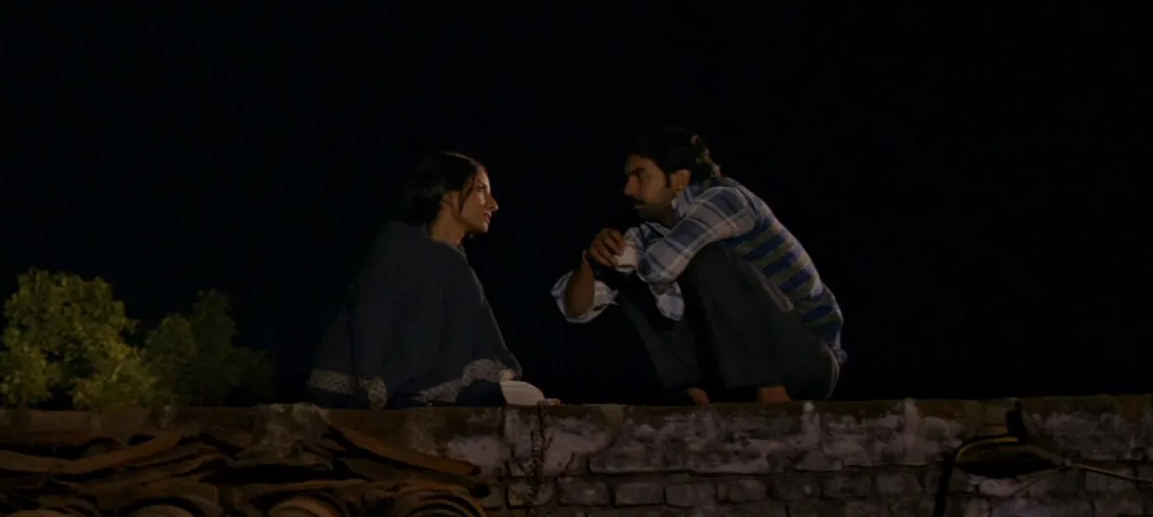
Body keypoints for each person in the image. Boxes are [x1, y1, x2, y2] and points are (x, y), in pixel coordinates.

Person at [551, 126, 846, 404]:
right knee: (632, 275)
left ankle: (773, 398)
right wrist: (592, 262)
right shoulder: (647, 235)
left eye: (640, 175)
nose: (629, 189)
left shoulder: (725, 199)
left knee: (702, 258)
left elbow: (659, 268)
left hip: (806, 360)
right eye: (628, 177)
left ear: (679, 178)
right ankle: (694, 399)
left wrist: (625, 261)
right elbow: (575, 309)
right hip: (729, 372)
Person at [307, 151, 537, 409]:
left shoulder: (437, 260)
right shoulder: (414, 256)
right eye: (481, 190)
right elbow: (383, 327)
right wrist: (381, 382)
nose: (493, 204)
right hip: (367, 393)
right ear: (449, 195)